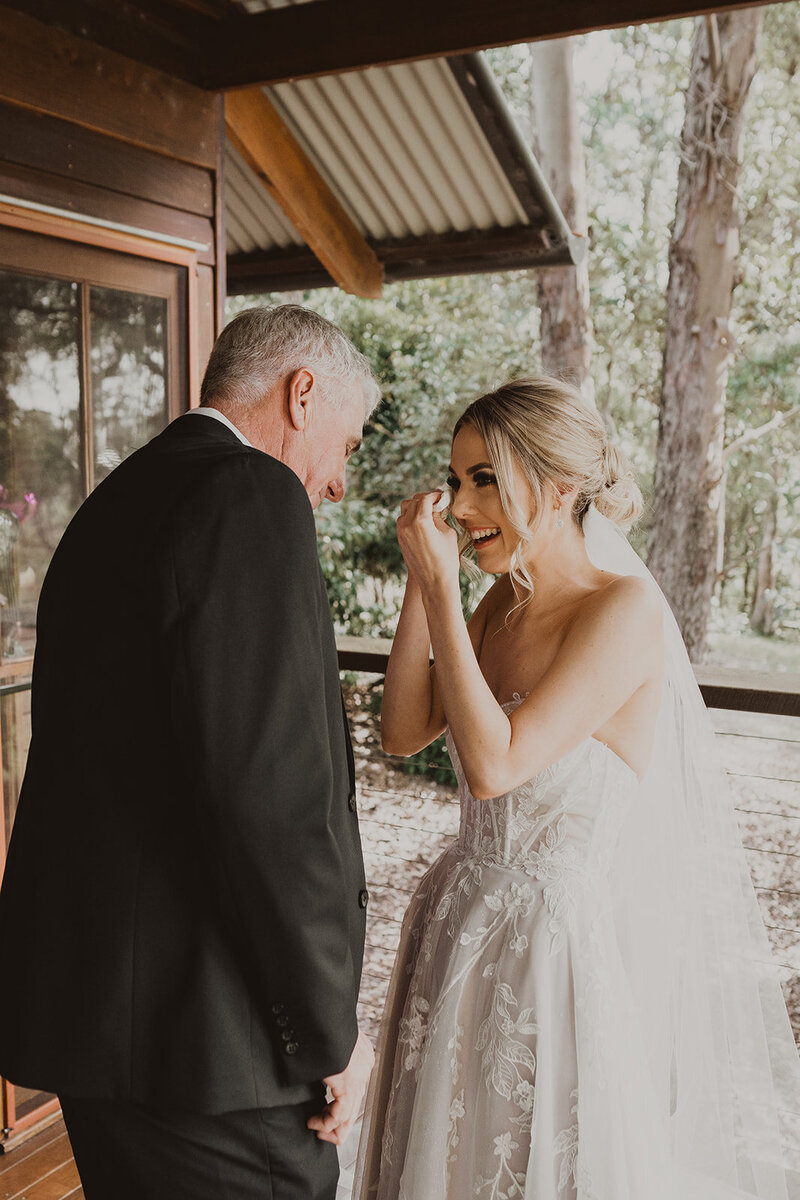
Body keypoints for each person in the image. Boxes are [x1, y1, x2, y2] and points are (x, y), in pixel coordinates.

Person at [354, 377, 800, 1199]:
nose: (457, 504)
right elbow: (403, 731)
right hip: (455, 922)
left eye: (483, 478)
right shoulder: (498, 605)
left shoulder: (622, 610)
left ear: (558, 489)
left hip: (546, 954)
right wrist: (426, 584)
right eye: (454, 481)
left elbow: (495, 766)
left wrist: (447, 590)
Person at [0, 305, 379, 1200]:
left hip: (101, 1030)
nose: (336, 485)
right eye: (349, 446)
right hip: (210, 1052)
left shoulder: (115, 501)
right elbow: (273, 803)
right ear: (302, 392)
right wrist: (330, 1032)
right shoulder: (250, 493)